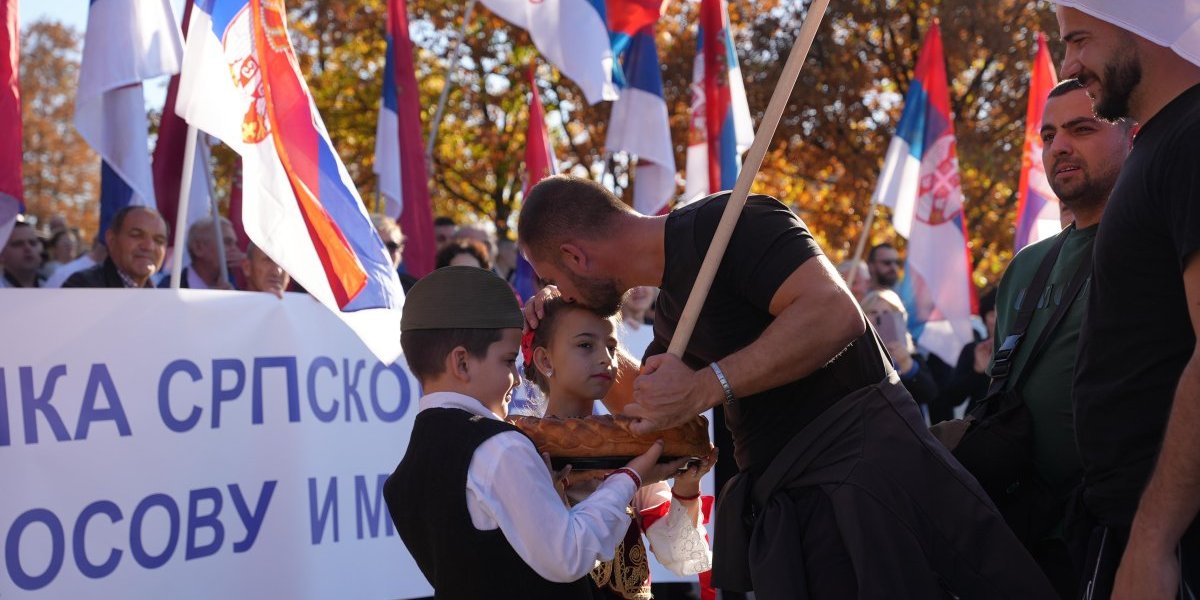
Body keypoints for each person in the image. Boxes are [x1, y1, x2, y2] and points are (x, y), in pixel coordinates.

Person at [518, 175, 1055, 598]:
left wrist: (711, 383)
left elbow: (834, 313)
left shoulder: (736, 223)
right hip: (799, 507)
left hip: (873, 482)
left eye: (555, 280)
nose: (558, 290)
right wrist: (558, 320)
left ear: (575, 256)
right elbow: (648, 405)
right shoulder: (674, 308)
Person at [383, 266, 689, 599]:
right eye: (507, 360)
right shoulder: (500, 446)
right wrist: (630, 476)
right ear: (463, 363)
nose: (515, 378)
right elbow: (568, 556)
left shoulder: (404, 477)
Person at [1056, 3, 1200, 596]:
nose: (1070, 64)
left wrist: (1152, 540)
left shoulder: (1192, 139)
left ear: (1144, 26)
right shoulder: (1163, 143)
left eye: (1080, 39)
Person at [988, 77, 1133, 597]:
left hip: (1125, 542)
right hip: (1025, 543)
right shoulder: (1025, 268)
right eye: (1048, 136)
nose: (1059, 147)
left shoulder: (1158, 244)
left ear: (1132, 136)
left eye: (1082, 128)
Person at [523, 297, 715, 599]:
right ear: (546, 360)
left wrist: (688, 485)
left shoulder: (633, 446)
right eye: (586, 345)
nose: (605, 359)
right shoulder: (522, 449)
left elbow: (680, 558)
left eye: (611, 347)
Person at [861, 289, 939, 413]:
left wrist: (906, 364)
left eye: (886, 313)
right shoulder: (857, 354)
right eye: (873, 312)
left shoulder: (913, 356)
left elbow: (929, 394)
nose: (879, 318)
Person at [931, 288, 997, 422]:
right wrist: (977, 371)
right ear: (984, 319)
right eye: (992, 314)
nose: (997, 320)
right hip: (978, 425)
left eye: (1002, 313)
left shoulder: (1024, 347)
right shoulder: (973, 349)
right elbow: (953, 398)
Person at [64, 206, 167, 289]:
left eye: (159, 240)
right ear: (111, 239)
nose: (149, 246)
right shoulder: (83, 288)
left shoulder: (164, 294)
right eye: (136, 235)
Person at [159, 216, 244, 290]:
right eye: (227, 242)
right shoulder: (169, 288)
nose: (235, 250)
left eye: (235, 244)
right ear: (198, 248)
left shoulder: (236, 289)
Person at [371, 214, 417, 292]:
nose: (384, 253)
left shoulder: (414, 289)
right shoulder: (349, 289)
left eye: (391, 246)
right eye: (377, 246)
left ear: (401, 248)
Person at [617, 286, 658, 362]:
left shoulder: (660, 329)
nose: (639, 289)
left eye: (645, 282)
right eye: (632, 284)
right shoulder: (607, 329)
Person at [0, 221, 45, 288]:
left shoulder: (53, 286)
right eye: (18, 244)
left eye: (32, 243)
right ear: (1, 254)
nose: (28, 248)